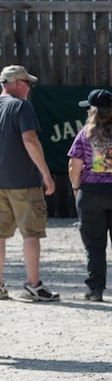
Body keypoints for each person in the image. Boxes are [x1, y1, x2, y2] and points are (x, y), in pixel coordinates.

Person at [66, 89, 112, 302]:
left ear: (93, 111)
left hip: (91, 193)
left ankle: (95, 289)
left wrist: (76, 187)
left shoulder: (84, 135)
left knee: (94, 245)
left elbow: (74, 165)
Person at [0, 64, 60, 302]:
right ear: (17, 84)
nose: (28, 88)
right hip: (23, 182)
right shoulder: (21, 106)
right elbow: (30, 140)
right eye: (26, 83)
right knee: (31, 235)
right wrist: (45, 174)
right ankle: (33, 286)